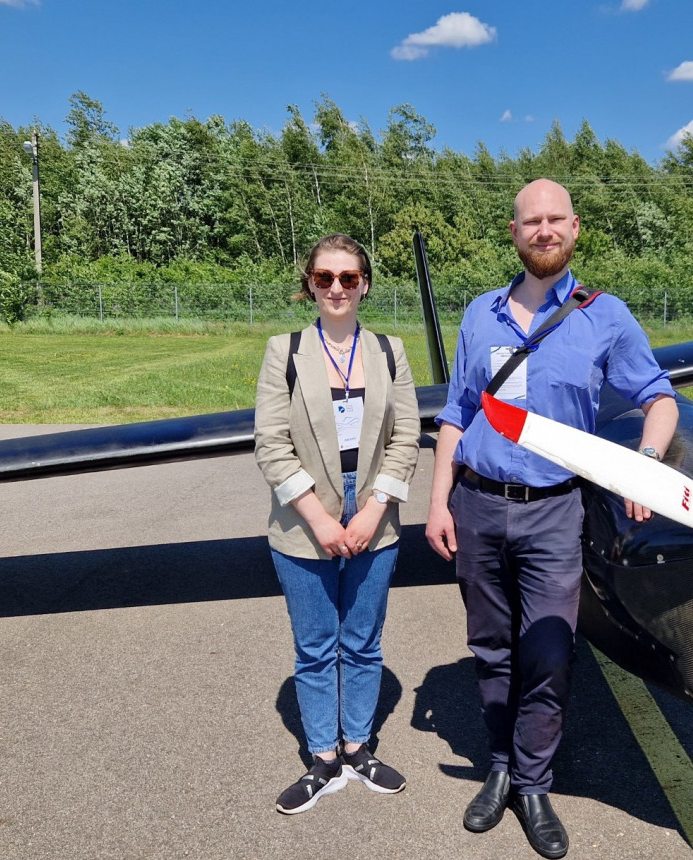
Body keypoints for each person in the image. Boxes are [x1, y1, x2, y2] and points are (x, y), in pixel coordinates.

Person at [425, 179, 678, 859]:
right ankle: (501, 767)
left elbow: (658, 397)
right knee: (490, 647)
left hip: (556, 512)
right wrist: (437, 500)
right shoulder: (481, 314)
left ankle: (534, 783)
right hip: (477, 504)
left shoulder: (607, 316)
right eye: (530, 221)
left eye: (554, 219)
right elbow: (457, 412)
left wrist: (644, 463)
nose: (543, 230)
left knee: (547, 653)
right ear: (514, 233)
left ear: (574, 228)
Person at [254, 233, 420, 814]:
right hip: (305, 513)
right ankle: (323, 757)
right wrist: (320, 518)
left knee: (363, 640)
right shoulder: (285, 350)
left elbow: (405, 438)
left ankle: (358, 747)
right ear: (310, 284)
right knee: (317, 645)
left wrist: (374, 506)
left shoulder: (391, 351)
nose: (336, 288)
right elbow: (272, 444)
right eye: (324, 278)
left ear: (365, 284)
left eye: (348, 278)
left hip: (374, 503)